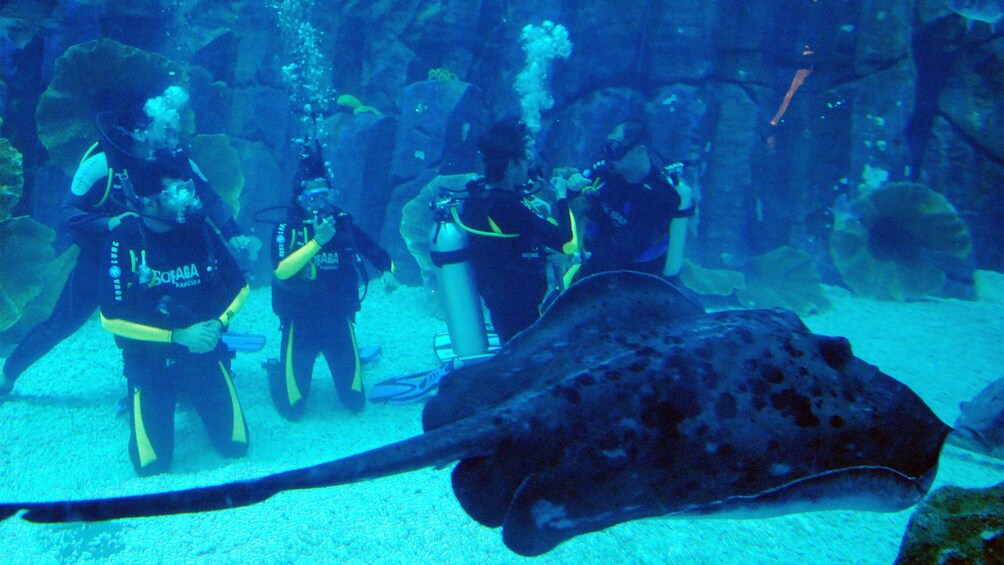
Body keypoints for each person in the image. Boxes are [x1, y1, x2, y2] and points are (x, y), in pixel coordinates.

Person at [0, 106, 250, 397]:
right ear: (136, 133)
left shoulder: (178, 162)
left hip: (165, 257)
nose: (166, 138)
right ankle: (8, 373)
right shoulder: (101, 163)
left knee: (200, 305)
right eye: (159, 130)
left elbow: (209, 197)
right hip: (103, 257)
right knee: (64, 321)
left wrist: (232, 233)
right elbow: (67, 213)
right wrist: (109, 222)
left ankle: (202, 373)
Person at [100, 153, 251, 476]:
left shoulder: (198, 231)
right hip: (149, 361)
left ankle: (192, 397)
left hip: (203, 352)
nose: (184, 199)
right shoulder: (124, 240)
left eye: (186, 188)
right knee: (151, 465)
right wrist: (176, 336)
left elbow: (240, 286)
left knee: (236, 447)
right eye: (173, 193)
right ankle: (164, 398)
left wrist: (218, 323)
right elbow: (110, 318)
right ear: (148, 203)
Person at [269, 144, 393, 420]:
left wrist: (387, 270)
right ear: (300, 199)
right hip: (299, 320)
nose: (321, 204)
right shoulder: (285, 229)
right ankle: (275, 370)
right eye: (313, 198)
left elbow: (373, 249)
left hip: (337, 317)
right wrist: (317, 242)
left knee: (355, 401)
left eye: (325, 196)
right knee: (293, 409)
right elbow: (281, 270)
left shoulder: (342, 222)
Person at [459, 118, 574, 343]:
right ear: (511, 166)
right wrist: (562, 196)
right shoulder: (510, 207)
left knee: (511, 348)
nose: (527, 167)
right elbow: (566, 241)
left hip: (497, 299)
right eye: (524, 162)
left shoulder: (476, 196)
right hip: (521, 304)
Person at [562, 120, 694, 281]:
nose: (608, 156)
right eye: (607, 147)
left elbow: (628, 249)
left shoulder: (660, 196)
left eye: (616, 148)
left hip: (641, 281)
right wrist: (571, 189)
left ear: (640, 150)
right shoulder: (607, 178)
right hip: (598, 269)